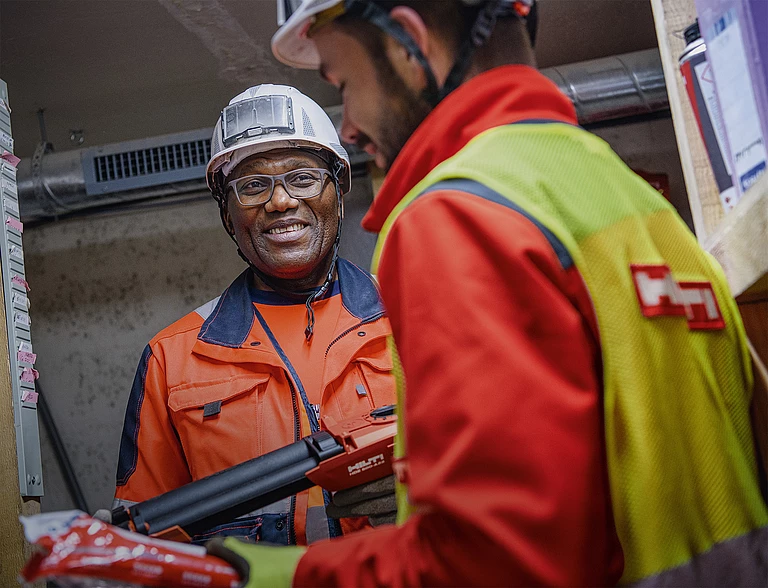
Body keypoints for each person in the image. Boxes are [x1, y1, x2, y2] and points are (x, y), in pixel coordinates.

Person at [205, 1, 768, 585]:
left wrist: (285, 577)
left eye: (344, 82)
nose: (347, 125)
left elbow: (495, 564)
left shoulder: (457, 215)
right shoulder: (638, 203)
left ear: (408, 47)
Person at [111, 84, 396, 546]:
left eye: (302, 177)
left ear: (338, 190)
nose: (280, 201)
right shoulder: (173, 359)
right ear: (227, 214)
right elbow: (147, 547)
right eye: (252, 186)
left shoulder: (412, 320)